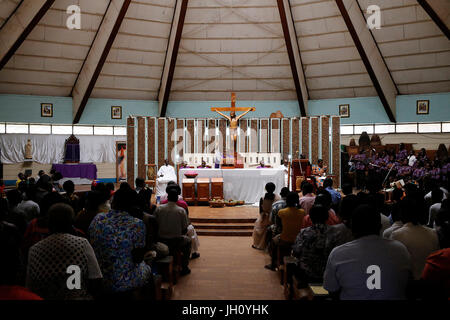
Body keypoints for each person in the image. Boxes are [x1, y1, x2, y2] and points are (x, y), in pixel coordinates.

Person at [323, 205, 412, 300]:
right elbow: (407, 284)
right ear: (380, 227)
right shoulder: (400, 249)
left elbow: (332, 290)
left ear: (352, 228)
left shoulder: (338, 254)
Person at [26, 203, 103, 300]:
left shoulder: (34, 250)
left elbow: (30, 287)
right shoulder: (82, 243)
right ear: (71, 223)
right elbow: (96, 279)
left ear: (49, 224)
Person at [89, 186, 152, 293]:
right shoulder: (136, 224)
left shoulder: (97, 219)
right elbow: (138, 258)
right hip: (124, 281)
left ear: (113, 202)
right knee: (149, 267)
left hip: (100, 278)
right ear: (133, 206)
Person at [391, 198, 440, 280]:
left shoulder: (396, 235)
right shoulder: (433, 233)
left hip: (411, 283)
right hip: (432, 280)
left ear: (402, 214)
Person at [292, 205, 335, 287]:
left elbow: (296, 251)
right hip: (328, 273)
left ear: (310, 218)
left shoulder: (304, 232)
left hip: (306, 273)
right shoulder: (335, 233)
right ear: (327, 217)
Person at [154, 189, 192, 275]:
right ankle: (184, 267)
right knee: (188, 241)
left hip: (161, 240)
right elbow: (184, 229)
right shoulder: (181, 210)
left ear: (167, 197)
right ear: (176, 199)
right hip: (176, 241)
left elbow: (155, 224)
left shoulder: (159, 209)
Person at [266, 192, 305, 271]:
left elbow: (279, 227)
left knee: (273, 241)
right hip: (298, 239)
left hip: (285, 239)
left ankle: (273, 263)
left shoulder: (282, 212)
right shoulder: (302, 212)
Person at [252, 182, 280, 250]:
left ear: (265, 189)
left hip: (265, 217)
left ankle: (258, 244)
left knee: (258, 229)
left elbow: (261, 211)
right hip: (273, 219)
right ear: (274, 189)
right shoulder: (278, 198)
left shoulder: (262, 198)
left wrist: (262, 217)